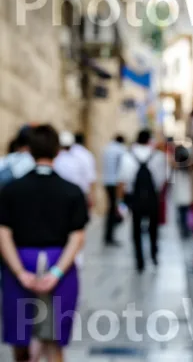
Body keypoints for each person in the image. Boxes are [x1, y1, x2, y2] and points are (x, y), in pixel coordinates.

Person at [0, 125, 88, 362]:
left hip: (20, 260)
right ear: (58, 151)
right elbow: (77, 236)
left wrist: (19, 272)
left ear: (29, 151)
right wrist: (57, 272)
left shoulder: (11, 190)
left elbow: (3, 234)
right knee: (53, 342)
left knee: (21, 340)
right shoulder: (72, 191)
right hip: (59, 262)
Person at [117, 129, 168, 273]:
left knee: (136, 229)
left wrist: (120, 202)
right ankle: (153, 255)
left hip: (136, 198)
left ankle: (139, 260)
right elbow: (162, 179)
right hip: (152, 198)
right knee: (153, 229)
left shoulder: (127, 157)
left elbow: (122, 181)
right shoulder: (158, 156)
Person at [101, 135, 126, 246]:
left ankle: (108, 235)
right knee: (114, 209)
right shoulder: (120, 150)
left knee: (111, 209)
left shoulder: (107, 149)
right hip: (115, 183)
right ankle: (109, 236)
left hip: (107, 181)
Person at [172, 145, 193, 239]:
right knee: (186, 213)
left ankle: (184, 229)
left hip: (180, 196)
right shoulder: (189, 168)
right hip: (188, 195)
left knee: (182, 214)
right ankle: (186, 229)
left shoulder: (176, 168)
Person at [71, 133, 97, 208]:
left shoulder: (65, 153)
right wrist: (91, 195)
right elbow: (90, 177)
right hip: (82, 192)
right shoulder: (87, 155)